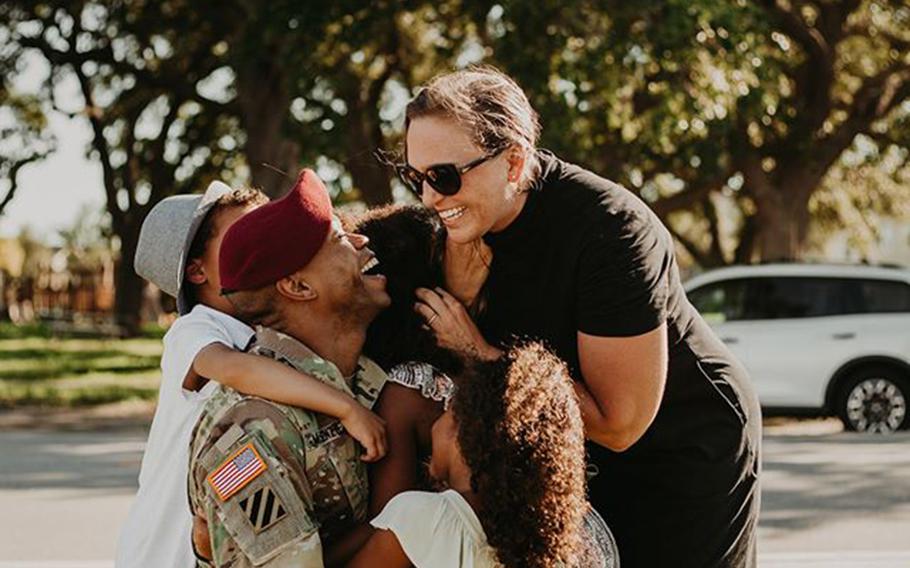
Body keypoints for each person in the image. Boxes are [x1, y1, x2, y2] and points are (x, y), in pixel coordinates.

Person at [396, 66, 762, 567]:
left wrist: (476, 351)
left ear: (514, 161)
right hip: (576, 459)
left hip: (681, 448)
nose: (429, 197)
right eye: (414, 177)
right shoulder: (457, 227)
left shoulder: (610, 232)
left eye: (444, 176)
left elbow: (620, 424)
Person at [117, 181, 387, 568]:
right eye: (238, 235)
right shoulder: (196, 328)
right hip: (164, 551)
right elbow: (232, 368)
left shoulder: (261, 333)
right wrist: (344, 407)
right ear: (197, 271)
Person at [348, 342, 614, 568]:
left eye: (446, 413)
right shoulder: (566, 546)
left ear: (464, 431)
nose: (434, 427)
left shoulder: (431, 516)